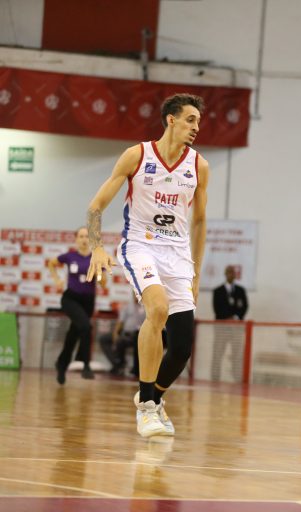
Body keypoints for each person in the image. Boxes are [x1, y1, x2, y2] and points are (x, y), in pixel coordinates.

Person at [85, 93, 210, 438]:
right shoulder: (137, 156)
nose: (196, 127)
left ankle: (152, 395)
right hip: (141, 245)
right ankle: (147, 408)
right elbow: (96, 206)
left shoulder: (199, 166)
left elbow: (200, 222)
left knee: (181, 348)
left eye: (198, 122)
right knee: (157, 309)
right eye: (190, 120)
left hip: (178, 254)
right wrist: (97, 247)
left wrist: (196, 273)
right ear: (171, 119)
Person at [47, 227, 105, 384]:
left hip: (88, 301)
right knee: (86, 327)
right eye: (81, 236)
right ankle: (86, 365)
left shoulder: (96, 258)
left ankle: (61, 364)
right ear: (76, 239)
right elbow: (51, 263)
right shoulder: (70, 256)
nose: (84, 239)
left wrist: (99, 274)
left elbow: (103, 283)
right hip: (70, 299)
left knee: (73, 334)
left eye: (87, 236)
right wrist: (57, 280)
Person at [211, 265, 249, 381]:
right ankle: (215, 377)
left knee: (237, 354)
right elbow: (217, 309)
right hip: (221, 328)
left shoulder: (240, 291)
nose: (231, 274)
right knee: (218, 353)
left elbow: (245, 306)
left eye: (233, 272)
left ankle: (237, 378)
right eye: (229, 272)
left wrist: (236, 317)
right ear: (225, 274)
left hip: (236, 328)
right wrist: (228, 318)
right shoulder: (217, 291)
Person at [99, 298, 145, 376]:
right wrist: (115, 333)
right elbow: (120, 321)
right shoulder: (128, 306)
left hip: (140, 335)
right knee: (104, 339)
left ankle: (123, 364)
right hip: (125, 333)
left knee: (121, 341)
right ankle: (117, 363)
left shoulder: (146, 306)